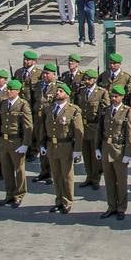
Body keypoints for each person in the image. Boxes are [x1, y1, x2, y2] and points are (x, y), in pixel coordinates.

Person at [42, 82, 84, 214]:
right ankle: (58, 200)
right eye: (57, 91)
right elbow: (43, 129)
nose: (57, 93)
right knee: (56, 175)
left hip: (65, 146)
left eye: (60, 91)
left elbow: (79, 132)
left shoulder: (73, 110)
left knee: (66, 176)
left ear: (67, 94)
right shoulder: (49, 109)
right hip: (51, 145)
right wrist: (42, 144)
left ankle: (67, 201)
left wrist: (78, 150)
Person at [0, 78, 32, 207]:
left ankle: (19, 194)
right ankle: (9, 194)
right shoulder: (3, 103)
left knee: (19, 170)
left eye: (11, 90)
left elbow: (28, 126)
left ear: (17, 91)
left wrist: (25, 144)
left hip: (17, 141)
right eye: (8, 89)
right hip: (4, 140)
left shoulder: (23, 105)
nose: (8, 91)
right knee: (6, 170)